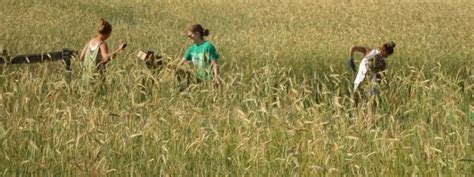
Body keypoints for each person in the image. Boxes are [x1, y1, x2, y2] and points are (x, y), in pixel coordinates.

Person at [79, 18, 126, 83]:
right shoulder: (102, 44)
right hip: (96, 78)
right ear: (108, 33)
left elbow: (81, 57)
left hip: (85, 77)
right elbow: (106, 58)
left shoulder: (90, 41)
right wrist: (118, 50)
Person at [180, 24, 220, 89]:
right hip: (197, 80)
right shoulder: (191, 49)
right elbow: (181, 63)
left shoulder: (208, 47)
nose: (189, 38)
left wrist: (216, 79)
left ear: (197, 34)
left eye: (190, 36)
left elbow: (215, 65)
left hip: (208, 80)